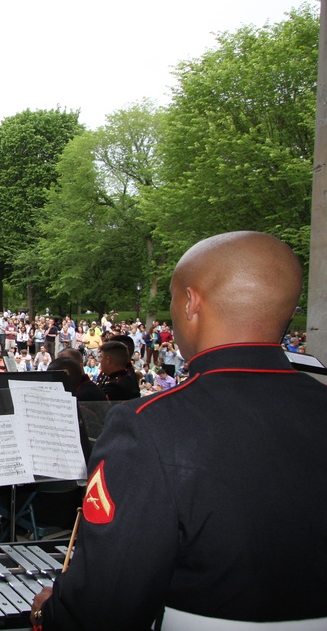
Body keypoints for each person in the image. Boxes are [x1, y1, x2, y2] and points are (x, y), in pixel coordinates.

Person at [31, 231, 327, 629]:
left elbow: (106, 606)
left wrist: (48, 612)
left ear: (191, 302)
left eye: (173, 298)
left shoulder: (148, 426)